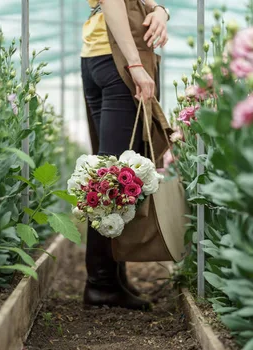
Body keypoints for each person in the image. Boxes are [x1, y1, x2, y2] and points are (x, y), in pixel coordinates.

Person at [81, 0, 172, 310]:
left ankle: (113, 276)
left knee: (111, 169)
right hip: (116, 57)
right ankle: (101, 282)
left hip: (98, 55)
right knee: (113, 176)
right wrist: (134, 64)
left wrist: (161, 9)